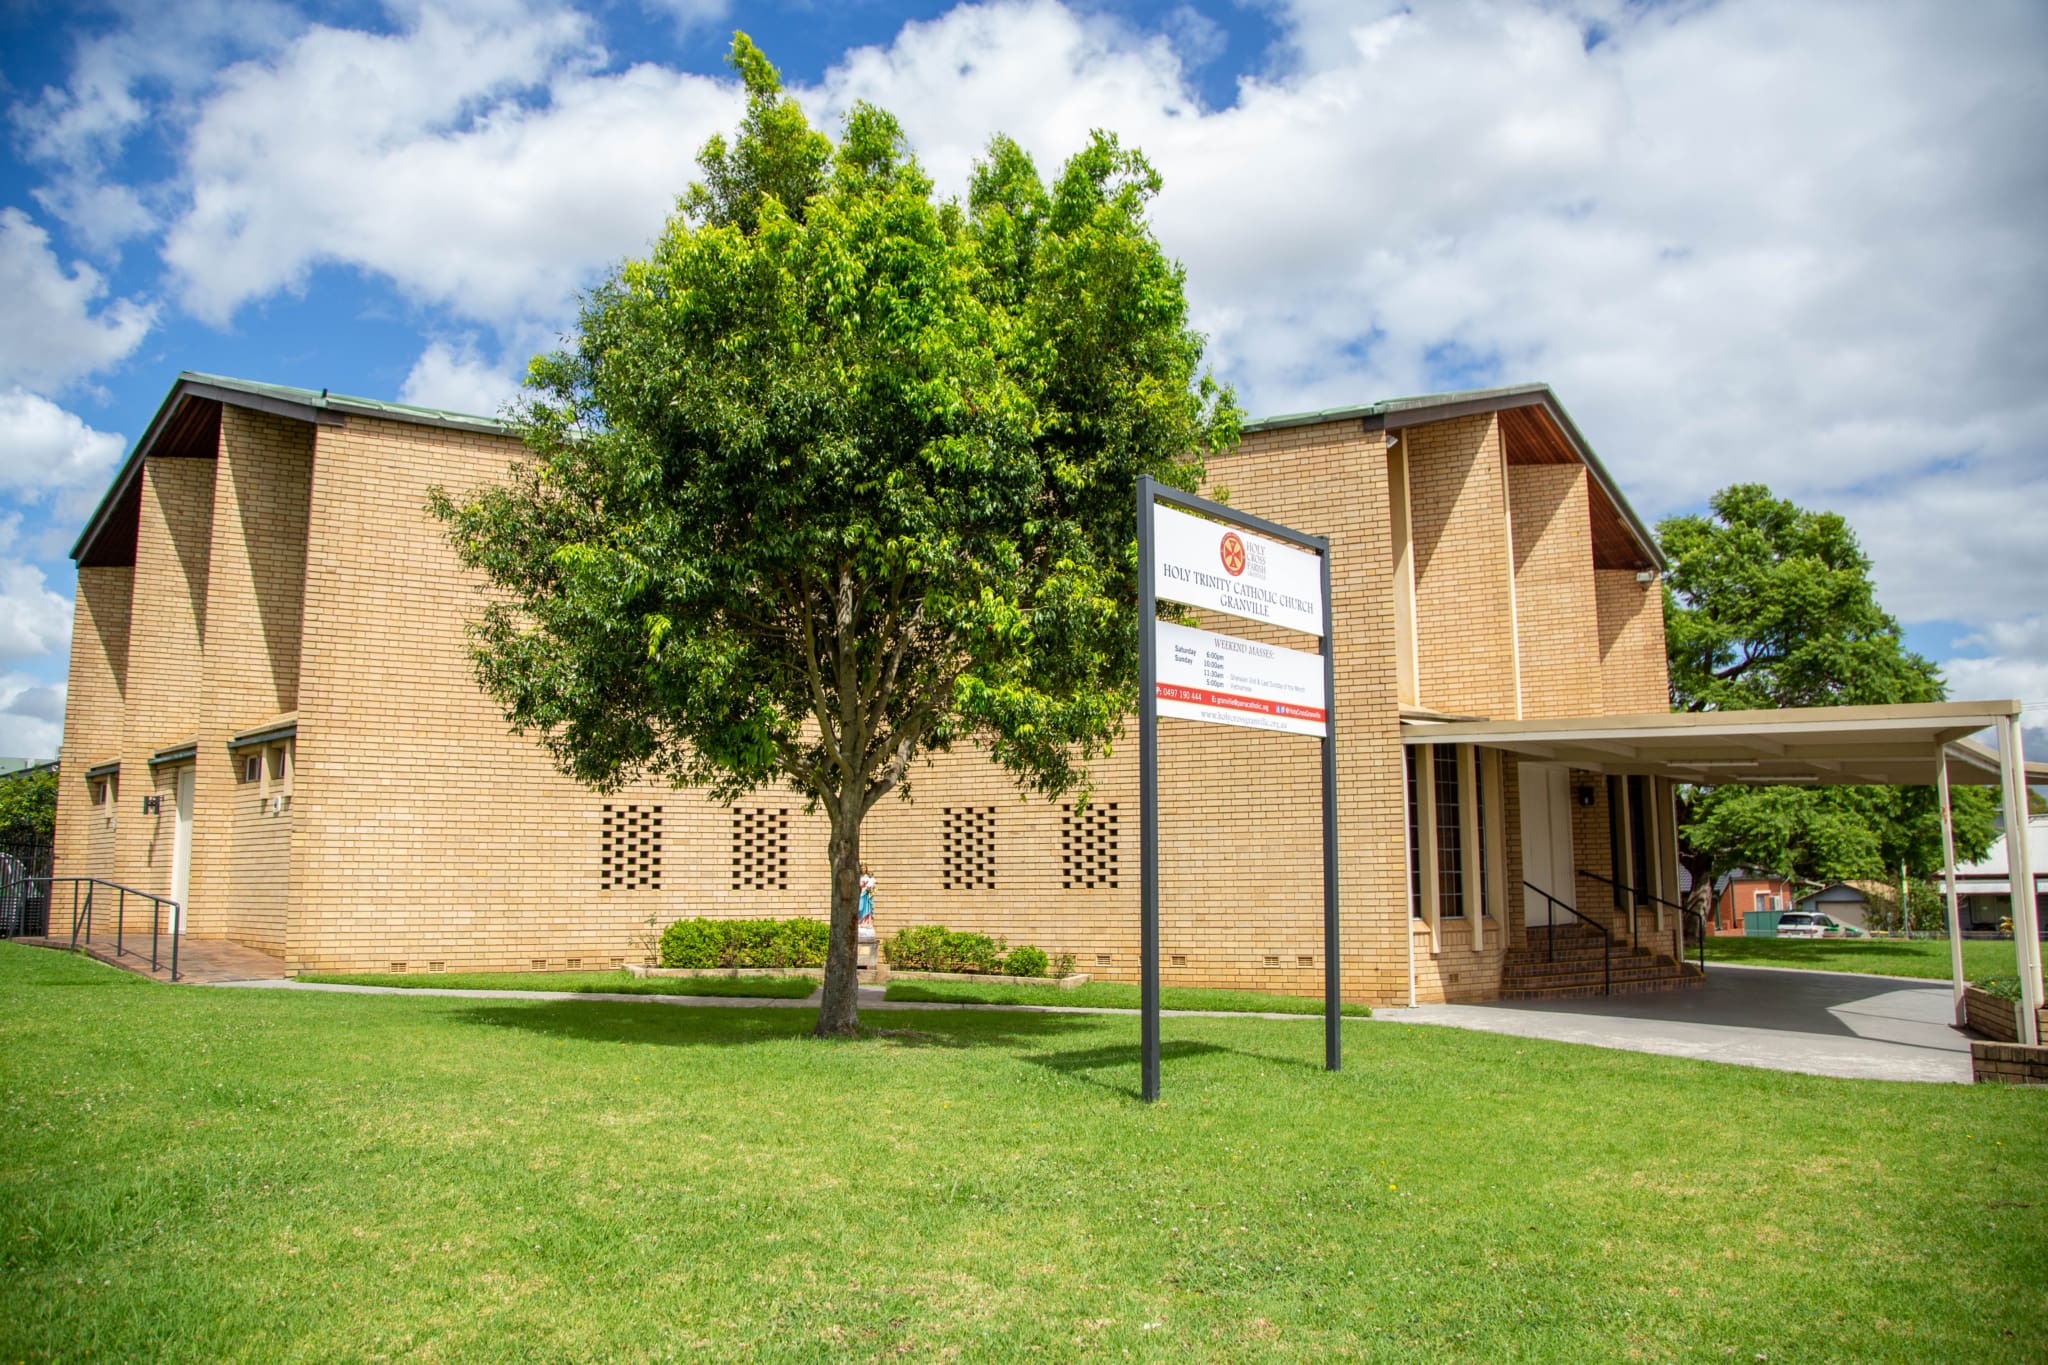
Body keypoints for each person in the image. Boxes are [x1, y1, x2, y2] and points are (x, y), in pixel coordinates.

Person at [856, 865, 878, 965]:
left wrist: (869, 888)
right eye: (862, 867)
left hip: (865, 897)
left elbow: (872, 886)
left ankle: (866, 923)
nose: (863, 869)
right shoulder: (858, 877)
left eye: (864, 867)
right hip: (860, 896)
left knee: (866, 909)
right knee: (859, 909)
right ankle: (859, 923)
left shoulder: (868, 878)